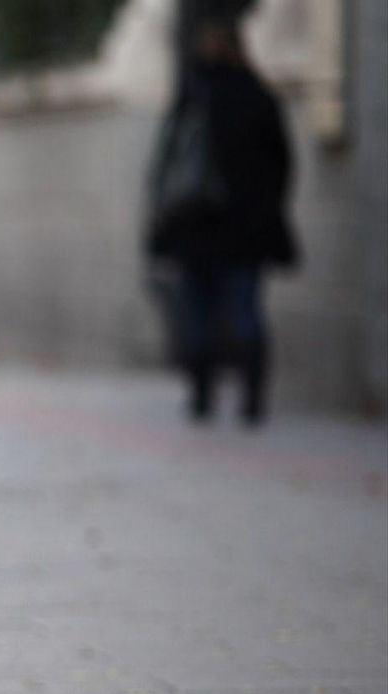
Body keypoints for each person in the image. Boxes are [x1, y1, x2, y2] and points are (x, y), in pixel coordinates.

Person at [148, 15, 298, 426]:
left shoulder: (195, 100)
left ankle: (202, 396)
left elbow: (166, 169)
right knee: (245, 308)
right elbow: (282, 165)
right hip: (246, 229)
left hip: (196, 227)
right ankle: (252, 400)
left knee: (199, 311)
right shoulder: (258, 98)